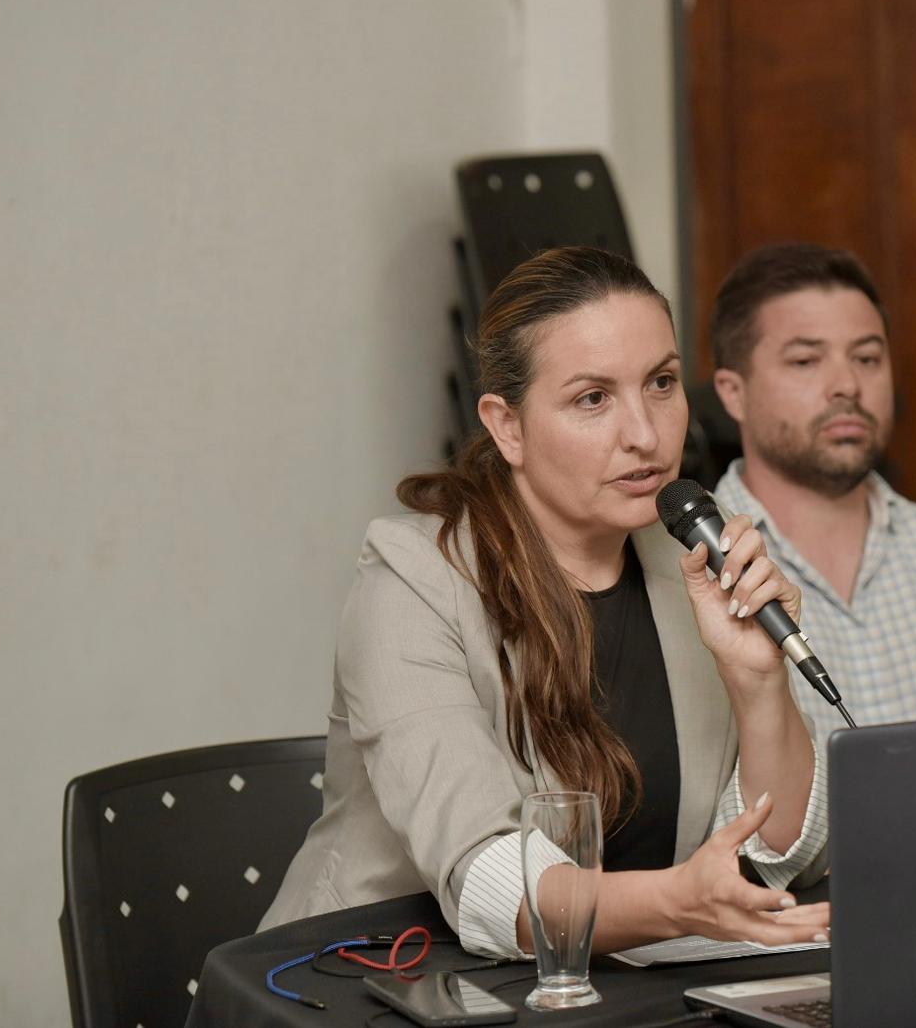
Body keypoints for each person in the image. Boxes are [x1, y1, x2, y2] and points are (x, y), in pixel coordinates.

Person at [262, 246, 830, 957]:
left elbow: (783, 859)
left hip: (612, 986)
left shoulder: (688, 562)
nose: (646, 435)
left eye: (661, 383)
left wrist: (759, 685)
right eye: (593, 399)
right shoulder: (411, 581)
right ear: (507, 426)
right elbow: (489, 878)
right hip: (376, 978)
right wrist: (677, 901)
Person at [707, 242, 916, 753]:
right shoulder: (688, 571)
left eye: (867, 357)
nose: (847, 384)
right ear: (733, 393)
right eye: (806, 360)